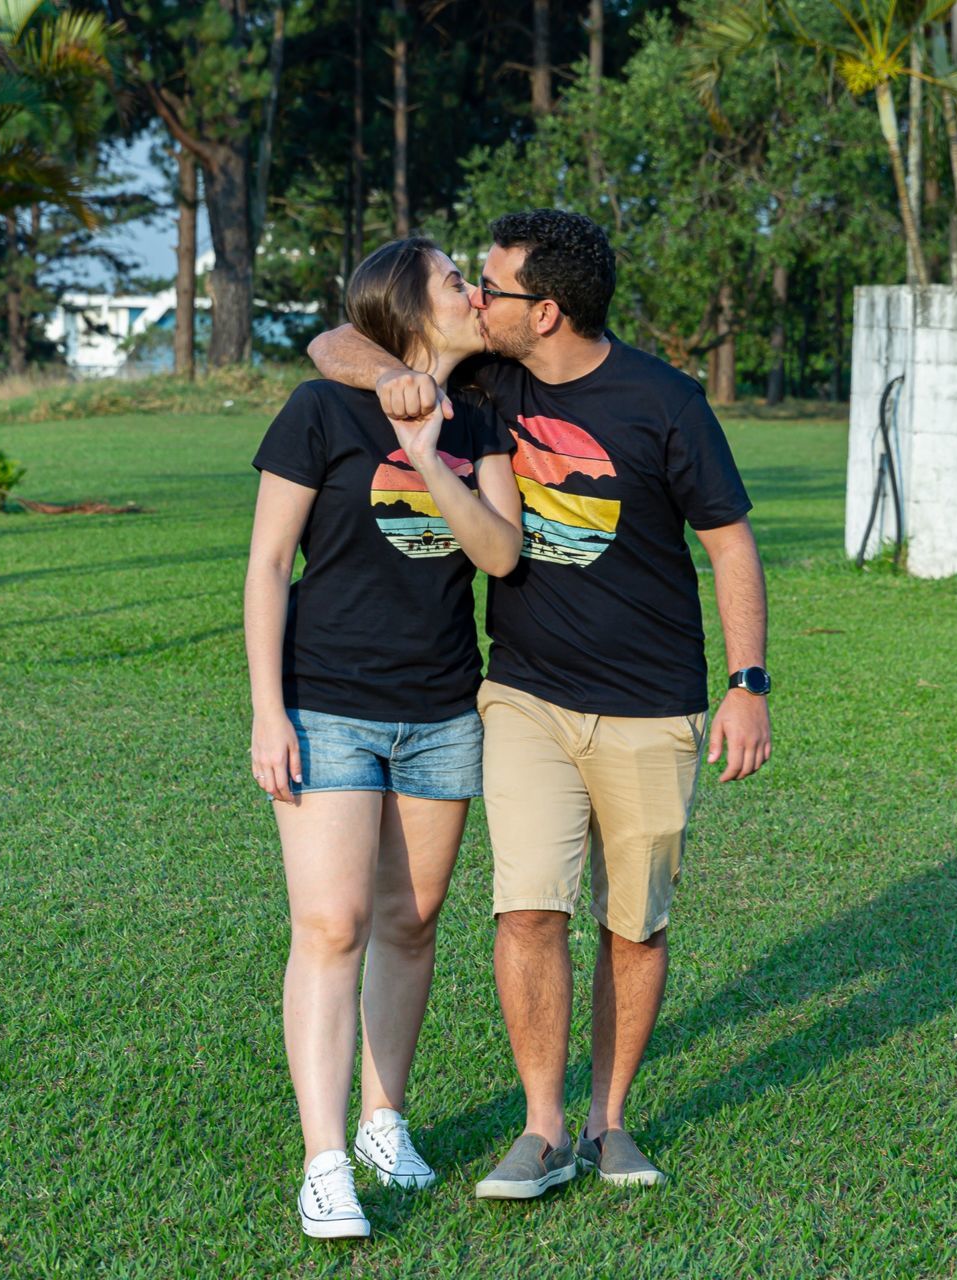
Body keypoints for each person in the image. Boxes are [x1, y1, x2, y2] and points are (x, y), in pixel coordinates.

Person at [309, 209, 772, 1199]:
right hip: (521, 695)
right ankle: (542, 1126)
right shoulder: (485, 381)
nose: (477, 298)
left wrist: (748, 683)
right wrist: (388, 375)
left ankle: (611, 1124)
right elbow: (334, 338)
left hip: (653, 705)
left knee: (634, 924)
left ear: (547, 309)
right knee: (527, 909)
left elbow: (730, 541)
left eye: (495, 286)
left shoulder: (665, 400)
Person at [246, 236, 523, 1239]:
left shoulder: (483, 417)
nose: (471, 289)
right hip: (327, 703)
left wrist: (423, 454)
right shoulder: (320, 409)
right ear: (409, 308)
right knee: (330, 924)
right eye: (455, 278)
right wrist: (266, 709)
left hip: (444, 707)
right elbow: (270, 564)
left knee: (413, 918)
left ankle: (382, 1120)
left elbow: (498, 552)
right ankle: (325, 1161)